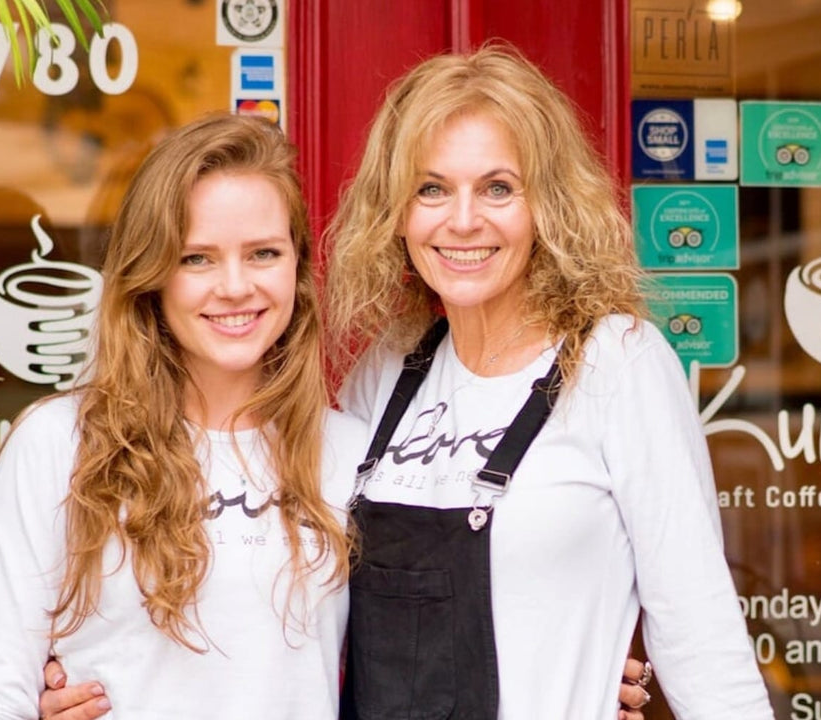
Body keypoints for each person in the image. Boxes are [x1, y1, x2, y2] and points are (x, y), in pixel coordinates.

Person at [322, 44, 774, 719]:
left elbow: (700, 635)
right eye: (431, 187)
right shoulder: (386, 371)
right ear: (397, 210)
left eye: (498, 187)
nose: (464, 219)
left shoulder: (619, 364)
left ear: (548, 205)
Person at [0, 113, 364, 718]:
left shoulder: (350, 454)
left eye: (263, 253)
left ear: (297, 268)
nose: (235, 286)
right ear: (153, 276)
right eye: (196, 258)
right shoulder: (60, 445)